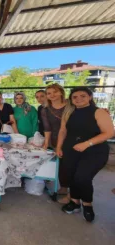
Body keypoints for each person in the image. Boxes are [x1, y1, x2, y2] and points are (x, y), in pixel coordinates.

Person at [56, 87, 114, 222]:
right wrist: (59, 147)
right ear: (71, 99)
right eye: (75, 97)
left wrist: (87, 144)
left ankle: (87, 204)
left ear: (90, 97)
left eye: (83, 96)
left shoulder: (99, 112)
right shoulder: (68, 112)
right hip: (71, 149)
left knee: (82, 177)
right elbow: (63, 131)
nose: (78, 99)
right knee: (71, 176)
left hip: (94, 151)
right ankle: (75, 202)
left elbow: (109, 133)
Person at [41, 83, 69, 203]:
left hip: (71, 138)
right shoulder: (45, 109)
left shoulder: (70, 105)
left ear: (61, 92)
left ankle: (68, 188)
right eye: (49, 93)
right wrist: (46, 143)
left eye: (55, 92)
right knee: (60, 163)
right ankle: (63, 186)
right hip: (54, 138)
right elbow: (47, 128)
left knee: (69, 164)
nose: (52, 95)